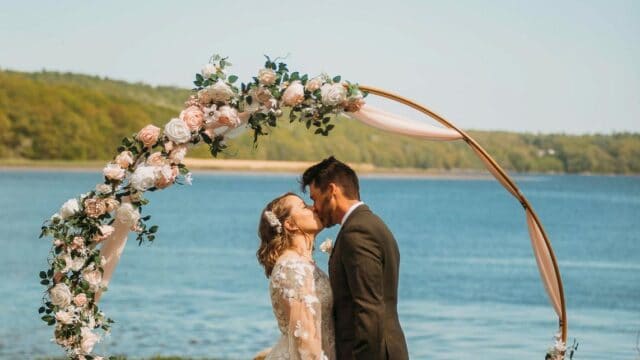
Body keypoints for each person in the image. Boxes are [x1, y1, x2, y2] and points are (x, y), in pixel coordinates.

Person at [301, 156, 409, 360]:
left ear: (332, 191)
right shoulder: (370, 223)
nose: (314, 207)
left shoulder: (357, 232)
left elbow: (369, 309)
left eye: (314, 198)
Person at [257, 192, 335, 360]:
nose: (313, 207)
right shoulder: (291, 267)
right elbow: (305, 340)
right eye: (304, 206)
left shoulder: (302, 264)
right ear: (290, 224)